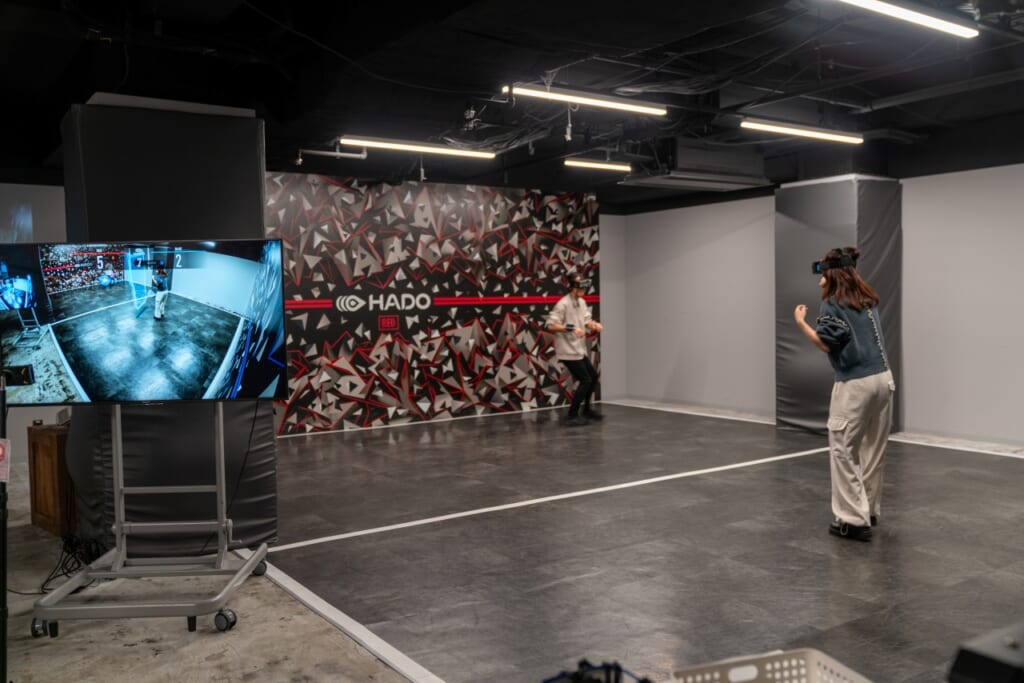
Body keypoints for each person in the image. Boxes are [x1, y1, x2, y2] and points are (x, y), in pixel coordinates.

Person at [793, 246, 895, 542]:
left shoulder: (833, 305)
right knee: (872, 450)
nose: (818, 280)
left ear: (832, 273)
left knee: (843, 450)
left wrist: (801, 322)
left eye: (821, 273)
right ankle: (869, 511)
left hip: (855, 385)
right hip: (884, 379)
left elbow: (826, 343)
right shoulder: (867, 299)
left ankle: (852, 521)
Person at [546, 271, 604, 426]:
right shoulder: (563, 304)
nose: (584, 290)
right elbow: (551, 324)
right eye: (580, 286)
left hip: (579, 349)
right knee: (585, 380)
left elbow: (586, 320)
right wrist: (571, 328)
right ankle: (573, 414)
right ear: (572, 287)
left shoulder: (582, 302)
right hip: (567, 350)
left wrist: (594, 325)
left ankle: (586, 410)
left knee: (592, 378)